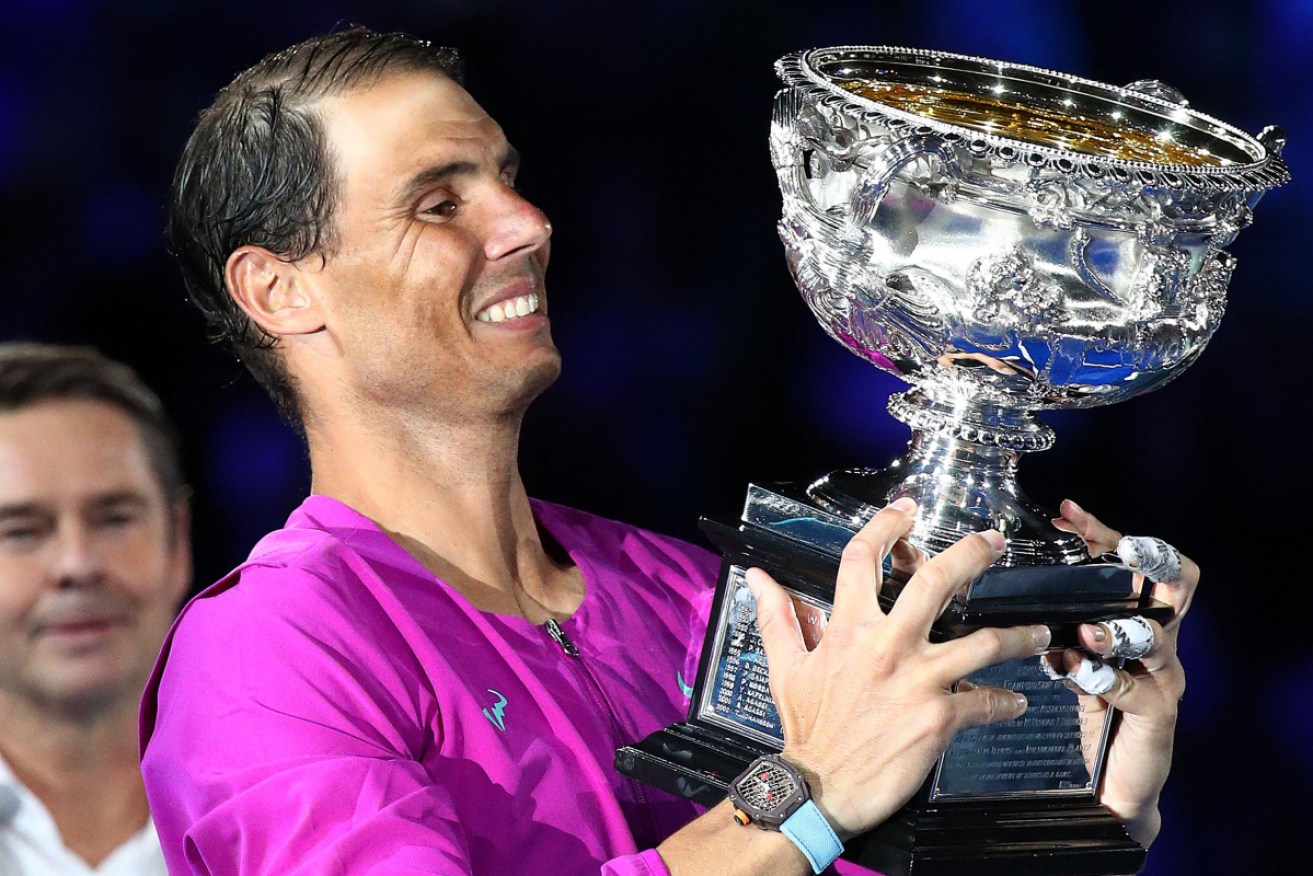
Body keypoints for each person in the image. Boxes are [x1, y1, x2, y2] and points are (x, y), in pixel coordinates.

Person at [141, 27, 1195, 876]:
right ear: (281, 290)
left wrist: (1087, 802)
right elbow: (810, 804)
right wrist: (802, 792)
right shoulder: (267, 658)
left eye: (506, 178)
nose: (524, 221)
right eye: (438, 203)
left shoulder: (696, 593)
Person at [0, 343, 190, 874]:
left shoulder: (299, 799)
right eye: (20, 531)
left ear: (179, 542)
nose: (77, 565)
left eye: (114, 520)